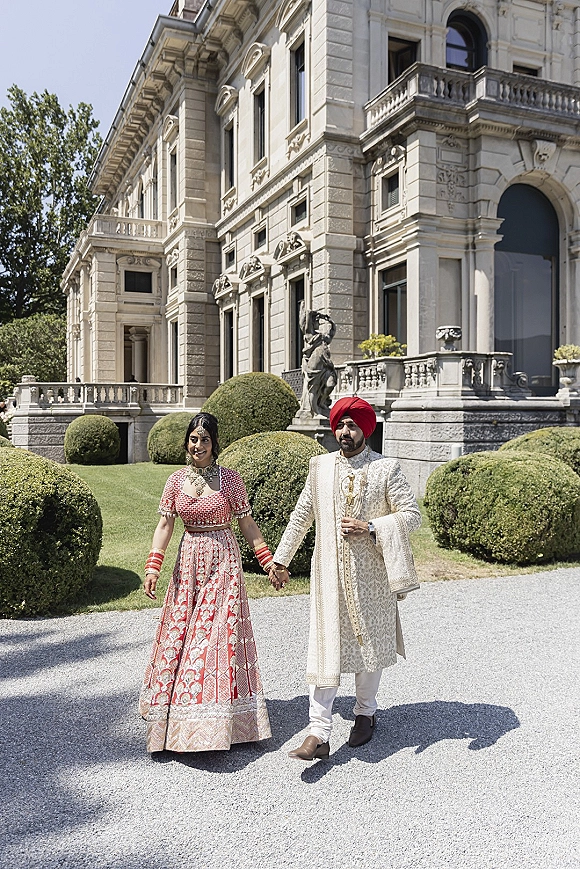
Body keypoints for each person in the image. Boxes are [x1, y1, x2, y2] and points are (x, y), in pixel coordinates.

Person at [271, 396, 421, 760]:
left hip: (372, 579)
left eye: (352, 425)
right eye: (340, 425)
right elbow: (301, 515)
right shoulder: (319, 467)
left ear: (366, 429)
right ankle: (319, 732)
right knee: (325, 648)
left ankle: (365, 714)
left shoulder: (386, 469)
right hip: (328, 578)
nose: (344, 432)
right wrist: (280, 559)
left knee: (368, 648)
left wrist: (372, 527)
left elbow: (411, 515)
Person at [139, 412, 278, 753]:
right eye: (192, 439)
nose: (197, 445)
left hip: (224, 561)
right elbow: (165, 526)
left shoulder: (230, 481)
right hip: (188, 563)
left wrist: (267, 561)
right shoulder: (175, 481)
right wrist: (153, 567)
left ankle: (220, 722)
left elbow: (246, 524)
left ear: (215, 444)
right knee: (183, 632)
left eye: (204, 440)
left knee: (217, 635)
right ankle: (178, 717)